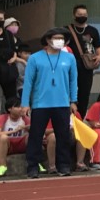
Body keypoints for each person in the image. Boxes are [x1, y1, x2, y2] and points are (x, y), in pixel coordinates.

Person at [21, 27, 78, 177]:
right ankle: (33, 166)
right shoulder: (35, 58)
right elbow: (28, 82)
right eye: (56, 38)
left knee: (63, 136)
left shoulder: (69, 58)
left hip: (62, 103)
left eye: (62, 38)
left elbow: (73, 80)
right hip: (41, 103)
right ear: (48, 40)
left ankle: (64, 165)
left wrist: (73, 100)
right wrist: (25, 103)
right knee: (36, 135)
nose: (59, 41)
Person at [66, 3, 100, 107]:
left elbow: (98, 46)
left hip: (87, 66)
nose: (82, 16)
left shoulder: (93, 31)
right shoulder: (66, 30)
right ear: (74, 15)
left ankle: (80, 118)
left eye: (84, 14)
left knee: (84, 93)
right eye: (79, 14)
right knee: (69, 91)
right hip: (70, 66)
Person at [0, 102, 30, 177]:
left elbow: (35, 130)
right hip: (9, 145)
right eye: (17, 107)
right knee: (3, 137)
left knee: (32, 136)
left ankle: (36, 162)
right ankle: (2, 166)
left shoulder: (25, 118)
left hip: (22, 144)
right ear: (9, 109)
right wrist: (14, 131)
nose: (20, 109)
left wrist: (26, 127)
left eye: (21, 107)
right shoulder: (3, 118)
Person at [0, 15, 22, 111]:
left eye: (1, 18)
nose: (0, 20)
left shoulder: (8, 34)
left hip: (8, 70)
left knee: (11, 97)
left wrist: (14, 57)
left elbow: (14, 50)